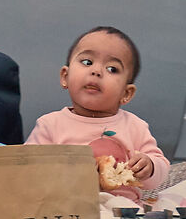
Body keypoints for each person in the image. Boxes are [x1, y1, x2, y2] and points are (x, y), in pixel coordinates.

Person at [25, 26, 169, 199]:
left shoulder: (135, 127)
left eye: (112, 69)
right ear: (65, 76)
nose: (96, 71)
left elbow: (160, 172)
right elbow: (27, 170)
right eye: (87, 62)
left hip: (121, 208)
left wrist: (150, 166)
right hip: (66, 207)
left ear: (126, 93)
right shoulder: (50, 125)